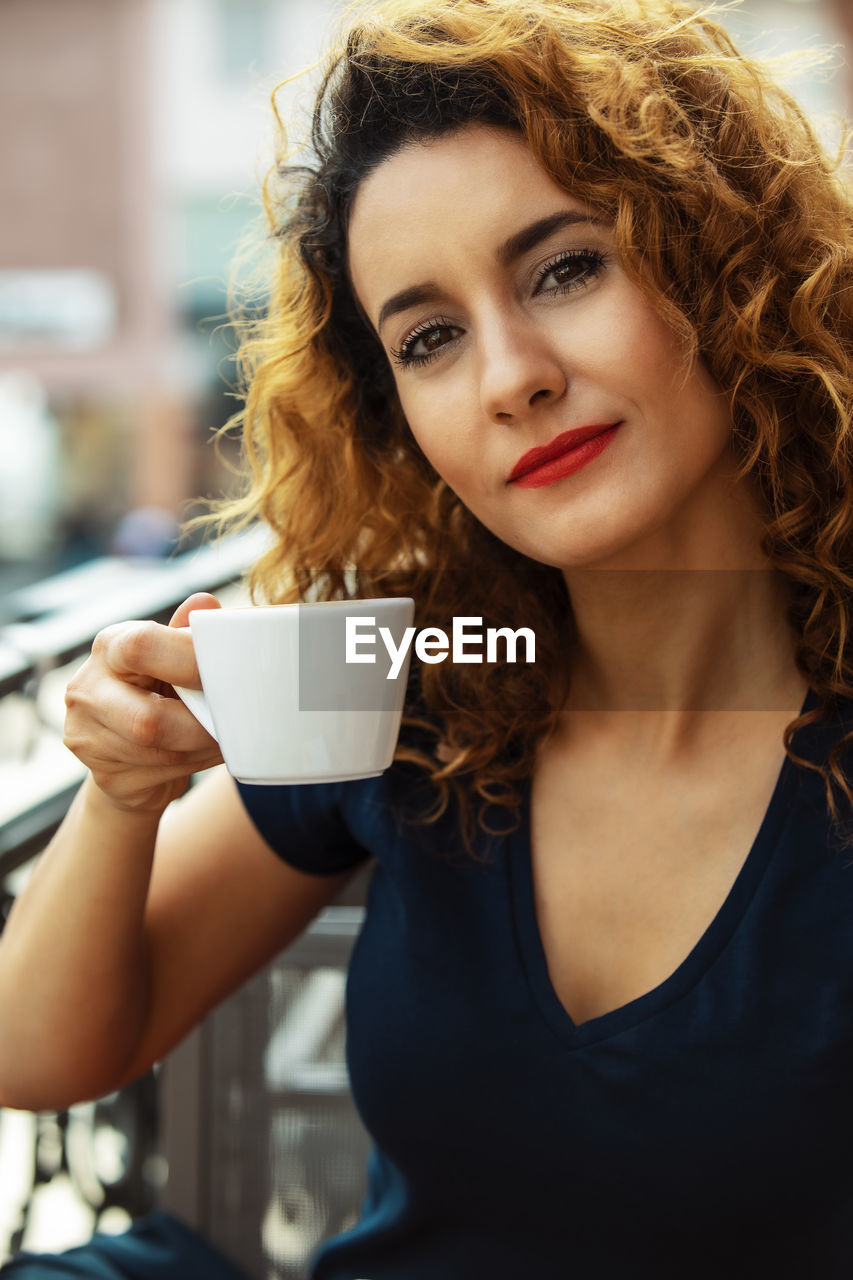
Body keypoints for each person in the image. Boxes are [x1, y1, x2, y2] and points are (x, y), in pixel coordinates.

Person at [2, 0, 853, 1275]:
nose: (509, 375)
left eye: (566, 268)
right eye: (430, 337)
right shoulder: (412, 681)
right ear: (398, 411)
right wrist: (123, 796)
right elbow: (40, 1053)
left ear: (720, 263)